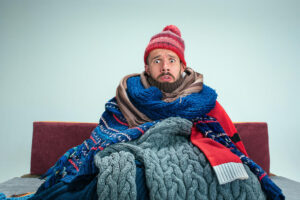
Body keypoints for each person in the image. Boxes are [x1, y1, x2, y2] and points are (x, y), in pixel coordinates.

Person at [28, 25, 284, 200]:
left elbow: (229, 141)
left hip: (190, 161)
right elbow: (104, 137)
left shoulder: (205, 101)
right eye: (157, 60)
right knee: (112, 173)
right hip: (138, 155)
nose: (165, 66)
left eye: (171, 60)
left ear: (182, 66)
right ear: (147, 68)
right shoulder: (126, 97)